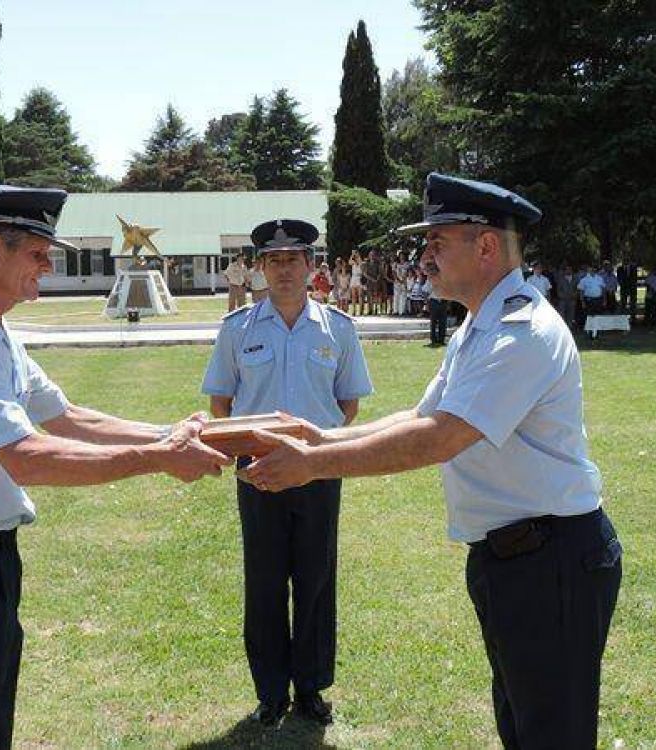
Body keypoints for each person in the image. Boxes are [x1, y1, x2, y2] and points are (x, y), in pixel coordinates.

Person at [240, 173, 622, 749]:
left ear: (486, 246)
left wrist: (315, 465)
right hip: (517, 558)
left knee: (551, 733)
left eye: (437, 243)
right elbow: (419, 415)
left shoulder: (521, 333)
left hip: (553, 563)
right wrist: (319, 440)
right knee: (524, 725)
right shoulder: (481, 325)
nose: (423, 258)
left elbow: (439, 438)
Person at [0, 185, 231, 750]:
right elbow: (25, 457)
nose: (49, 264)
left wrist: (167, 433)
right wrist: (158, 458)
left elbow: (66, 417)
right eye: (39, 252)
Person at [201, 218, 373, 727]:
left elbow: (347, 405)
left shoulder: (337, 328)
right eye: (272, 260)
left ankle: (311, 687)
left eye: (292, 259)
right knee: (266, 579)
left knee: (316, 576)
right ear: (259, 268)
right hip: (257, 472)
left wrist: (312, 452)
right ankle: (271, 691)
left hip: (319, 468)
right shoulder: (238, 330)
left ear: (311, 266)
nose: (283, 270)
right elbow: (220, 403)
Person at [554, 262, 576, 327]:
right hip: (562, 300)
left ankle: (570, 327)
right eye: (567, 269)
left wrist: (575, 295)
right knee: (562, 314)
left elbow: (577, 288)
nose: (569, 270)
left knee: (571, 314)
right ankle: (563, 327)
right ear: (565, 270)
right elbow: (558, 290)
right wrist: (562, 296)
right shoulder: (561, 279)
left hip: (572, 300)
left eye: (570, 269)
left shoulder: (575, 279)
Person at [348, 249, 364, 316]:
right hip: (353, 278)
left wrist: (357, 255)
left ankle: (360, 310)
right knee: (353, 296)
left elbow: (360, 261)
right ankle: (354, 310)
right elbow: (349, 262)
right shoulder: (353, 263)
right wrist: (352, 255)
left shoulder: (361, 262)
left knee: (360, 295)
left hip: (359, 277)